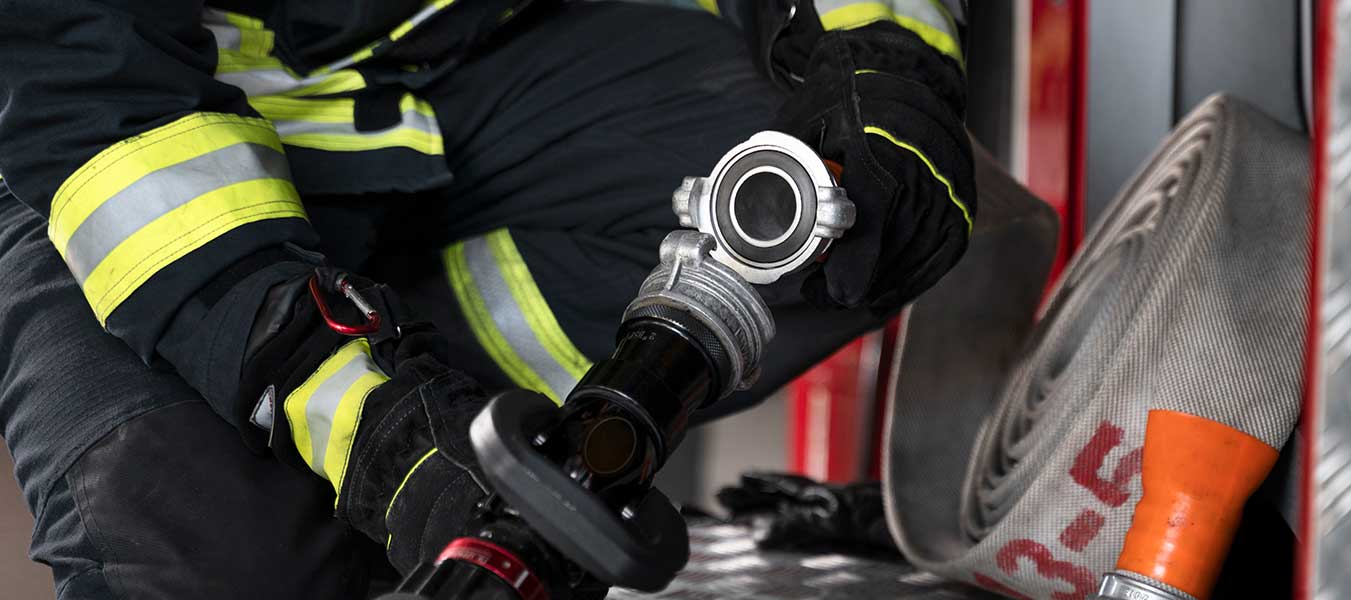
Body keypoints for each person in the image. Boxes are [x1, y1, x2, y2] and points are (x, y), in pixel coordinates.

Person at [0, 0, 975, 597]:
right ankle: (347, 449)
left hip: (449, 76)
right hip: (136, 154)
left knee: (844, 210)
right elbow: (86, 95)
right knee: (200, 546)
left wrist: (885, 67)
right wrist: (365, 422)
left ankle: (467, 453)